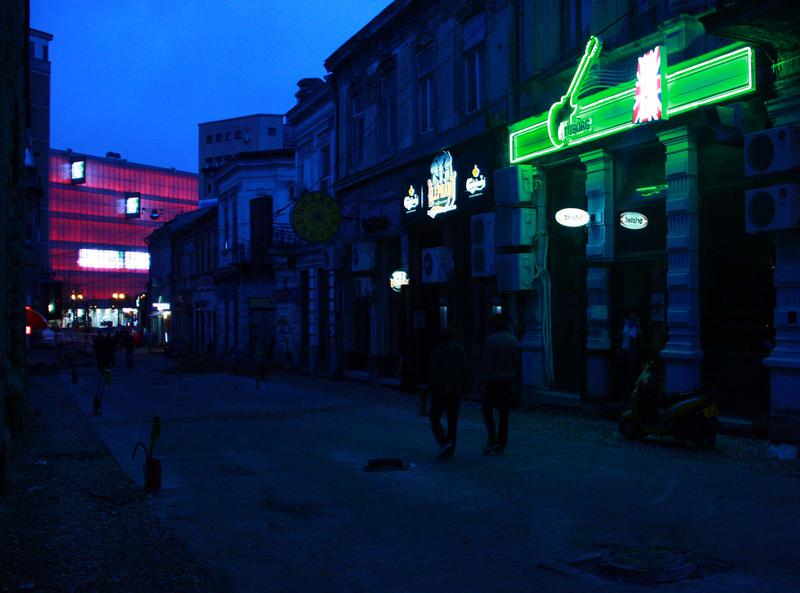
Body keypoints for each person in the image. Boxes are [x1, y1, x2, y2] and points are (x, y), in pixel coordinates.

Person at [481, 313, 519, 456]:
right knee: (504, 413)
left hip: (493, 380)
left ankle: (492, 439)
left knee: (487, 410)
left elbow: (486, 363)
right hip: (507, 380)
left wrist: (483, 381)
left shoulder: (490, 341)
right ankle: (501, 443)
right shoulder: (513, 341)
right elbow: (516, 363)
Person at [427, 327, 467, 459]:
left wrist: (430, 389)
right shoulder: (460, 350)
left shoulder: (436, 351)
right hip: (455, 390)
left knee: (434, 417)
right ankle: (450, 447)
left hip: (440, 390)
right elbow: (464, 370)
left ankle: (444, 442)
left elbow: (433, 372)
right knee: (452, 419)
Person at [617, 309, 644, 400]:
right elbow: (619, 337)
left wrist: (637, 326)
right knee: (623, 374)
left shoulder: (635, 326)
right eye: (630, 314)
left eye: (633, 314)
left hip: (631, 354)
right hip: (623, 352)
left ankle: (632, 396)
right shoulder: (624, 324)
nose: (631, 316)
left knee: (632, 375)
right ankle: (623, 396)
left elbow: (636, 339)